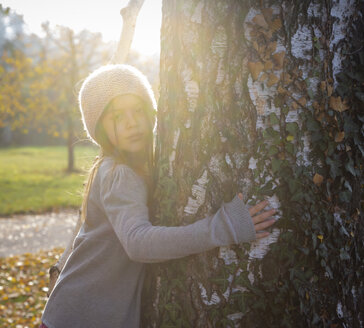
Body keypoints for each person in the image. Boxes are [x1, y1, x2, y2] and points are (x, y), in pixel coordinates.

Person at [40, 64, 277, 328]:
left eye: (138, 110)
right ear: (101, 128)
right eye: (118, 116)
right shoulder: (119, 174)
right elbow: (138, 243)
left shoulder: (133, 169)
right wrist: (222, 227)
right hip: (79, 318)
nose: (132, 122)